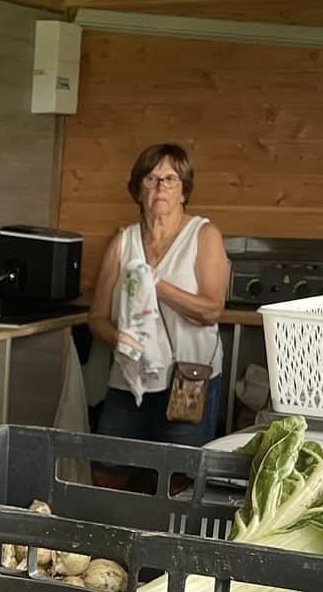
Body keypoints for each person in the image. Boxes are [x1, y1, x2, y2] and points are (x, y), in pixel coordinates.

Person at [86, 142, 231, 445]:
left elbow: (210, 312)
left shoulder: (204, 235)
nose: (160, 187)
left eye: (170, 179)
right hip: (130, 377)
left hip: (188, 379)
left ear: (184, 191)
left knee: (178, 477)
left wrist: (155, 286)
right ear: (138, 191)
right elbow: (97, 317)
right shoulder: (123, 243)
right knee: (108, 468)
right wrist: (121, 340)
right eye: (150, 179)